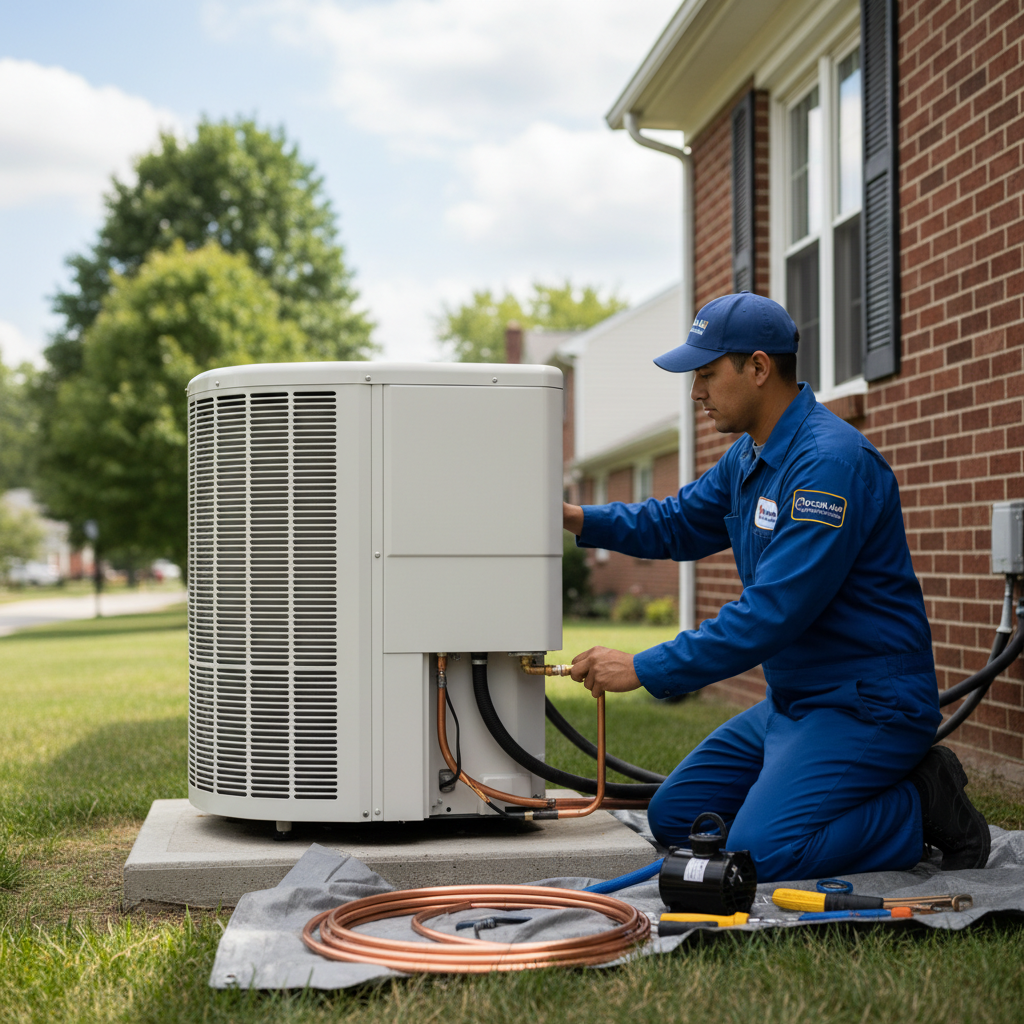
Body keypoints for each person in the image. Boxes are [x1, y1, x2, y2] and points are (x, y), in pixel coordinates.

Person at [564, 291, 989, 882]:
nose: (697, 392)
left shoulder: (829, 465)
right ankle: (803, 804)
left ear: (759, 368)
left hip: (867, 704)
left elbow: (772, 614)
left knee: (761, 855)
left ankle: (921, 804)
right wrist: (575, 519)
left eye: (708, 374)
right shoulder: (750, 458)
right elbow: (677, 521)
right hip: (792, 705)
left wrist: (644, 666)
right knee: (678, 816)